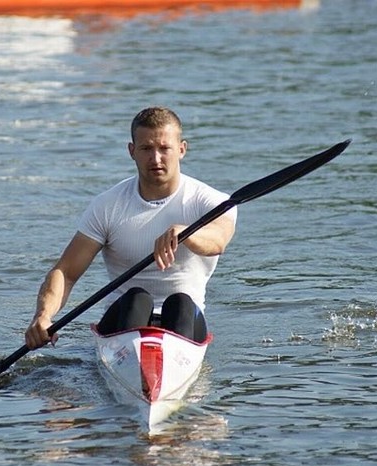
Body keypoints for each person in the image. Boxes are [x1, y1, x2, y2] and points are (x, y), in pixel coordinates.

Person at [24, 106, 236, 350]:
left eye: (164, 148)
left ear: (181, 149)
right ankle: (133, 364)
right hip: (124, 320)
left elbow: (218, 240)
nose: (155, 159)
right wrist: (43, 315)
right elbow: (67, 272)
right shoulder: (108, 205)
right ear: (131, 151)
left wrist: (184, 232)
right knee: (137, 298)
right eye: (146, 148)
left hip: (184, 322)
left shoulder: (211, 201)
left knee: (181, 303)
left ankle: (160, 373)